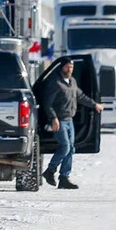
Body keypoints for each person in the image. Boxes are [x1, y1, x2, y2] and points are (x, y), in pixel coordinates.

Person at [41, 58, 104, 189]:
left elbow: (81, 97)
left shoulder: (72, 82)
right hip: (59, 120)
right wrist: (53, 118)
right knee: (65, 147)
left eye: (71, 67)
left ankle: (64, 178)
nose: (69, 69)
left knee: (71, 150)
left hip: (70, 120)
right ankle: (50, 170)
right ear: (61, 67)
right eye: (67, 67)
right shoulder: (55, 82)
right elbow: (47, 103)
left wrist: (95, 105)